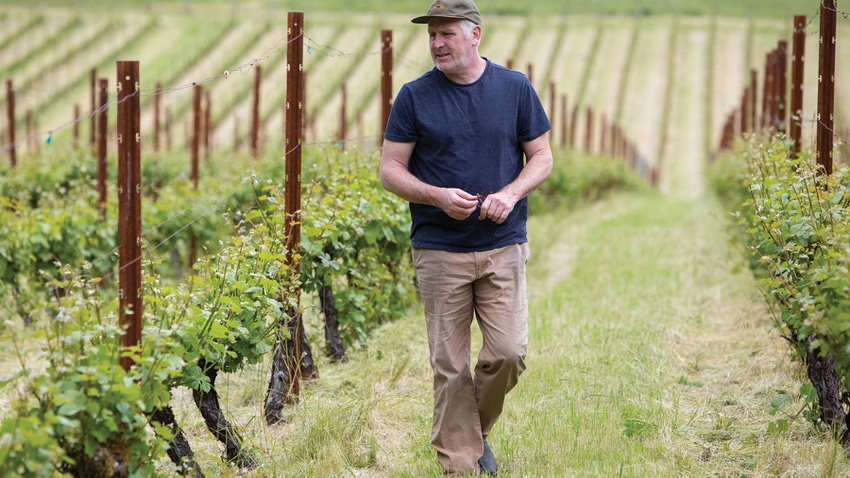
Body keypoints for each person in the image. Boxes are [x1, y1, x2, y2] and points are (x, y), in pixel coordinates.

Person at [379, 0, 554, 474]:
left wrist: (512, 193)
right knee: (450, 366)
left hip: (503, 244)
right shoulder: (415, 97)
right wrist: (435, 196)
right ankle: (463, 464)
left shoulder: (515, 88)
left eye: (446, 34)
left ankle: (473, 432)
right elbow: (390, 170)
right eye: (432, 36)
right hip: (438, 248)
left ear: (475, 34)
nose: (437, 44)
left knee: (509, 354)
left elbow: (542, 157)